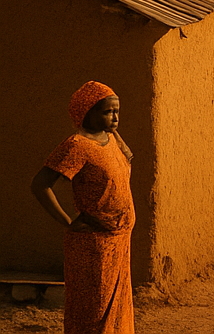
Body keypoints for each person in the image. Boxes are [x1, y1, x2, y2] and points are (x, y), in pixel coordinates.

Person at [31, 81, 136, 334]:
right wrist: (68, 221)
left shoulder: (111, 138)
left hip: (120, 239)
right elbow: (40, 185)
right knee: (93, 310)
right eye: (107, 111)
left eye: (117, 111)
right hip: (94, 245)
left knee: (118, 309)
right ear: (87, 111)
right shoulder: (77, 146)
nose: (115, 117)